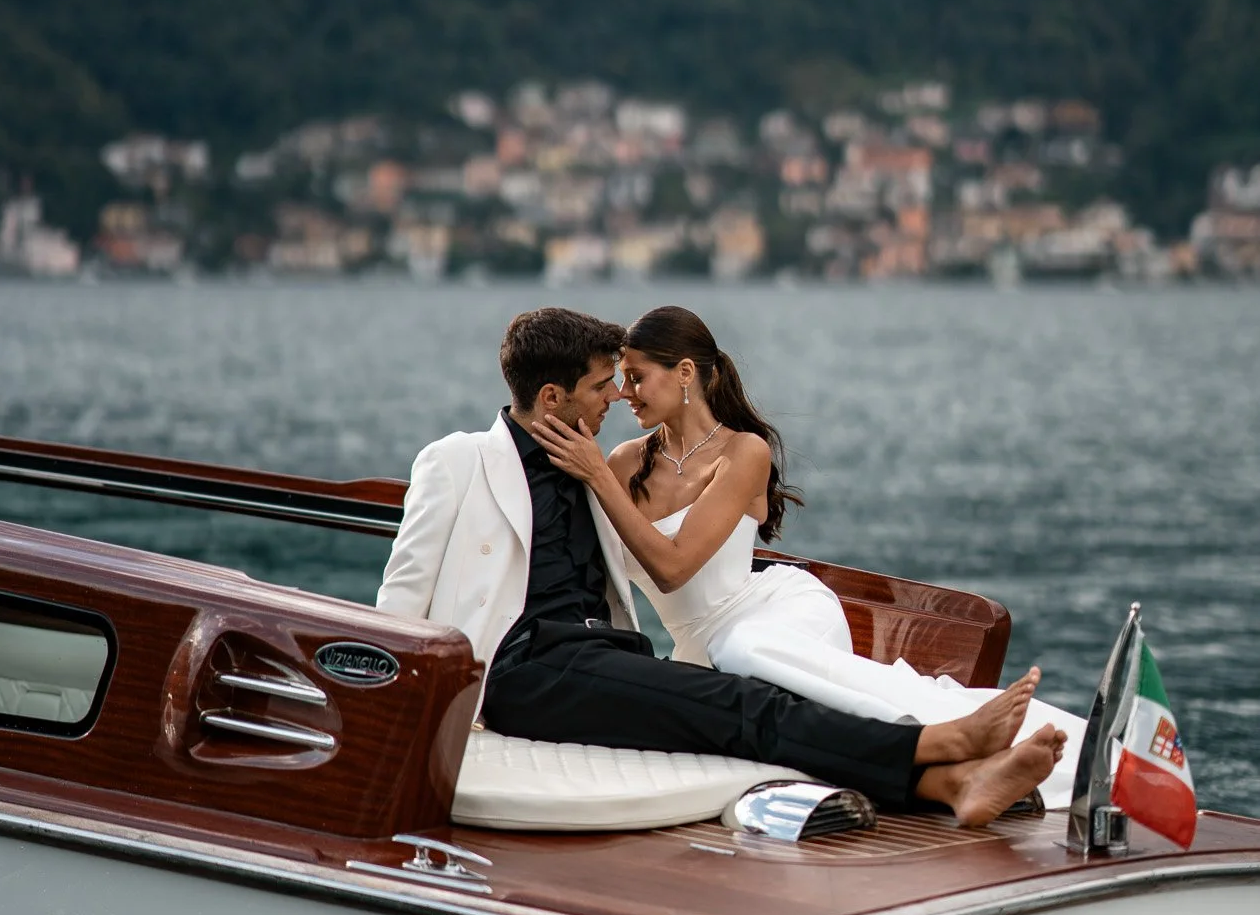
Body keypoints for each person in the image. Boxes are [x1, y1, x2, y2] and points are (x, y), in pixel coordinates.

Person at [378, 306, 1063, 824]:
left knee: (731, 719)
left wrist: (600, 475)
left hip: (607, 652)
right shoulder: (463, 462)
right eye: (600, 386)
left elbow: (668, 554)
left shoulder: (601, 467)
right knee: (742, 703)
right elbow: (400, 601)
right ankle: (935, 747)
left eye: (625, 382)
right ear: (552, 398)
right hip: (527, 666)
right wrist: (388, 724)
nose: (616, 397)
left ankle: (947, 785)